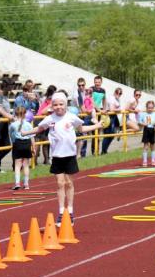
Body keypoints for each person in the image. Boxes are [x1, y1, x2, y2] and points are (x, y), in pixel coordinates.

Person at [22, 92, 103, 226]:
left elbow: (82, 128)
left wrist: (97, 126)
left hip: (70, 155)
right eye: (55, 105)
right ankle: (61, 212)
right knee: (60, 184)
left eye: (61, 104)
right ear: (52, 106)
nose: (58, 107)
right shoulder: (50, 119)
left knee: (69, 183)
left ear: (66, 105)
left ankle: (70, 211)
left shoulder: (72, 117)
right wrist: (25, 132)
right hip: (57, 156)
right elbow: (39, 128)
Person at [0, 82, 15, 174]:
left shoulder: (4, 96)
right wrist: (10, 117)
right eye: (11, 86)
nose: (12, 88)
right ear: (6, 86)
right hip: (0, 124)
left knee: (5, 146)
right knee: (3, 146)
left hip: (5, 123)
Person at [9, 106, 34, 190]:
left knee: (17, 165)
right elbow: (32, 137)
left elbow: (11, 135)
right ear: (25, 114)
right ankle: (26, 184)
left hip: (18, 143)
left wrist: (13, 142)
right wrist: (33, 147)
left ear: (15, 114)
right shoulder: (29, 124)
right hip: (27, 144)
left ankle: (17, 183)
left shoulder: (13, 125)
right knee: (26, 165)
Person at [34, 85, 57, 165]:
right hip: (40, 121)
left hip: (45, 122)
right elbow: (43, 112)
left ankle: (46, 161)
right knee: (38, 142)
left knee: (46, 141)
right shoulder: (49, 101)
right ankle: (34, 161)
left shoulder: (47, 99)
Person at [101, 87, 123, 155]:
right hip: (109, 117)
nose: (118, 94)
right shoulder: (112, 98)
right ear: (114, 92)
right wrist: (119, 109)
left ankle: (105, 150)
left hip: (114, 117)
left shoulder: (117, 99)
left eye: (120, 93)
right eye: (117, 92)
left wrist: (118, 109)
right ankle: (103, 151)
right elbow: (111, 109)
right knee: (108, 135)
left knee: (112, 135)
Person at [137, 101, 155, 167]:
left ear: (153, 108)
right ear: (146, 107)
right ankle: (145, 161)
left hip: (152, 130)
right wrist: (143, 124)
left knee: (152, 145)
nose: (150, 109)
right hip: (146, 129)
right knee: (145, 146)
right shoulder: (143, 114)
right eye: (149, 108)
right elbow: (139, 122)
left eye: (151, 108)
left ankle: (153, 160)